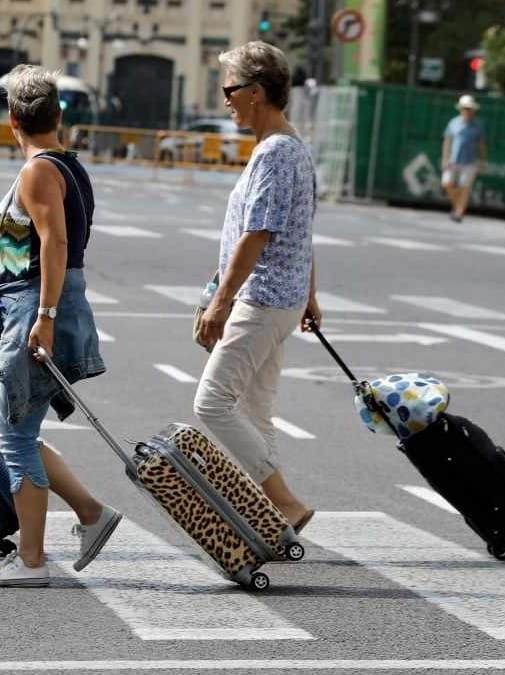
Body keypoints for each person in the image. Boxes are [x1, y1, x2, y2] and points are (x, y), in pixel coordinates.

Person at [0, 65, 121, 589]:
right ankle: (91, 514)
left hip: (36, 306)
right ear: (58, 115)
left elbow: (54, 242)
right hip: (36, 303)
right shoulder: (69, 164)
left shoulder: (38, 171)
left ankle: (32, 561)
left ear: (12, 120)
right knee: (2, 432)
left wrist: (46, 317)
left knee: (13, 437)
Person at [193, 41, 321, 533]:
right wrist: (310, 295)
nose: (225, 100)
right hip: (283, 298)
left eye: (230, 89)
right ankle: (272, 510)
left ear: (257, 92)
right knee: (256, 410)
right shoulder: (293, 149)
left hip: (262, 298)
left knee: (213, 402)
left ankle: (283, 501)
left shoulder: (275, 154)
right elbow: (302, 231)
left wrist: (220, 303)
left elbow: (259, 234)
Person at [441, 95, 486, 222]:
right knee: (446, 183)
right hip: (453, 159)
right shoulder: (453, 122)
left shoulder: (478, 125)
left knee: (464, 187)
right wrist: (445, 158)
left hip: (470, 161)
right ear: (460, 109)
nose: (467, 110)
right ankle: (457, 206)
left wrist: (482, 161)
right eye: (465, 108)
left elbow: (482, 144)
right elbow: (447, 141)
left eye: (469, 108)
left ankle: (459, 212)